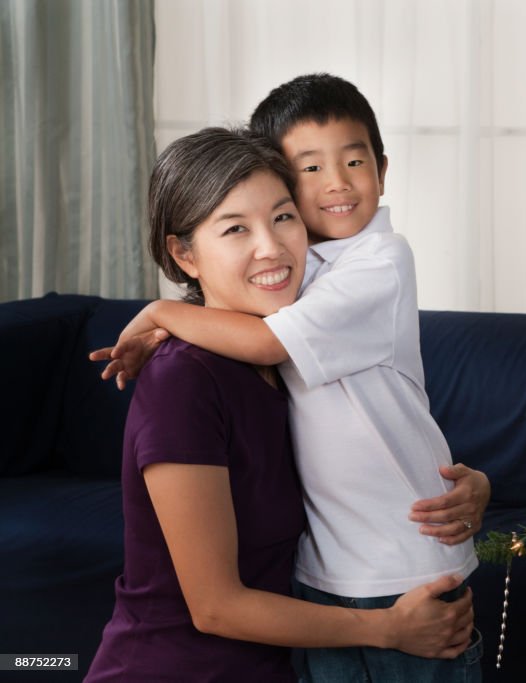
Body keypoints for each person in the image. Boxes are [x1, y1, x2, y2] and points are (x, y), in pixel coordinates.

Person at [96, 75, 484, 682]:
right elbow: (215, 606)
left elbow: (378, 440)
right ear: (183, 255)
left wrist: (472, 486)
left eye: (282, 217)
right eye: (234, 229)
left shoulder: (297, 329)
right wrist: (386, 629)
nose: (272, 248)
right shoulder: (184, 379)